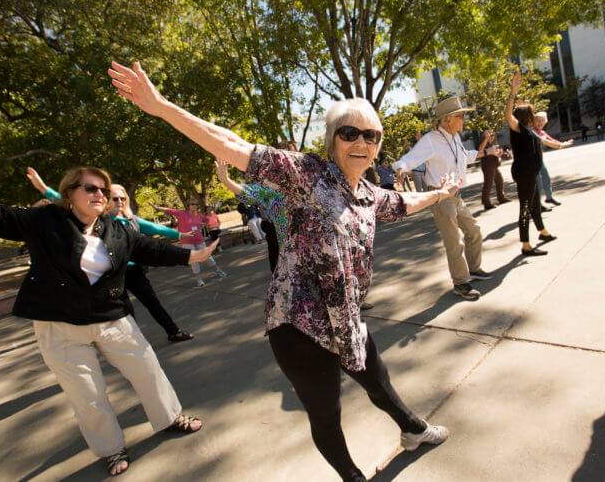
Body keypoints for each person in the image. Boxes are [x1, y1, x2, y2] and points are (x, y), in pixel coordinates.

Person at [109, 61, 459, 481]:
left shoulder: (368, 193)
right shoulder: (305, 173)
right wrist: (162, 106)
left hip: (346, 319)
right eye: (350, 133)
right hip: (298, 325)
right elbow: (232, 142)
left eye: (371, 135)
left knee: (378, 381)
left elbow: (403, 205)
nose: (361, 142)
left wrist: (441, 193)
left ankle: (413, 430)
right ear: (332, 141)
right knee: (327, 413)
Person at [0, 153, 215, 476]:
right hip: (60, 327)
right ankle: (111, 449)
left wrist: (193, 255)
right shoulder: (44, 223)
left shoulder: (117, 229)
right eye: (90, 188)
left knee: (148, 369)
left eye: (104, 189)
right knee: (88, 394)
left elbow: (150, 248)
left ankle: (169, 417)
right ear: (69, 193)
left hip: (112, 318)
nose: (100, 194)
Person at [26, 168, 196, 343]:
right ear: (107, 198)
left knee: (152, 302)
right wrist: (43, 188)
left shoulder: (130, 219)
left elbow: (154, 228)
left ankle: (173, 331)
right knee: (125, 311)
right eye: (115, 198)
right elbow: (66, 200)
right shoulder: (97, 218)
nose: (120, 202)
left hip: (133, 271)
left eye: (123, 199)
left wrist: (179, 235)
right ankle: (136, 344)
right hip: (112, 273)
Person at [392, 96, 501, 300]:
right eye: (461, 116)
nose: (464, 120)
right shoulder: (431, 140)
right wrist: (401, 170)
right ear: (448, 119)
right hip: (441, 198)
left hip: (456, 194)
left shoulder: (455, 138)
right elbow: (408, 160)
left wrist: (488, 151)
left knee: (474, 231)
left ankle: (474, 270)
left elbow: (466, 156)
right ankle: (461, 283)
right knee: (454, 242)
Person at [505, 73, 557, 256]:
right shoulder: (518, 128)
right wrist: (512, 93)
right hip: (524, 172)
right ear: (526, 117)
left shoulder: (528, 130)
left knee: (535, 204)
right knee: (525, 208)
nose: (535, 117)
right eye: (532, 114)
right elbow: (508, 115)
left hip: (530, 172)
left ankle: (543, 232)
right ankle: (526, 245)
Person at [217, 159, 286, 272]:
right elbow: (247, 193)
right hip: (274, 229)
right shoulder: (268, 187)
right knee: (277, 261)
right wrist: (226, 180)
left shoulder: (303, 180)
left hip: (301, 239)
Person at [149, 199, 227, 287]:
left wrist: (203, 226)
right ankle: (199, 279)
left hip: (199, 239)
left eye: (196, 204)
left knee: (207, 256)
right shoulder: (181, 213)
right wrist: (156, 208)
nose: (195, 206)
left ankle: (218, 271)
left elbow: (208, 220)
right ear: (188, 206)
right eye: (192, 204)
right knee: (194, 260)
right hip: (187, 241)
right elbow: (168, 210)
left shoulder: (200, 216)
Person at [532, 112, 574, 207]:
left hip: (539, 160)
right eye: (538, 120)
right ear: (534, 121)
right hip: (531, 161)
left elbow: (552, 141)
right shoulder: (532, 131)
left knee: (546, 178)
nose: (540, 123)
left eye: (542, 121)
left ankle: (549, 198)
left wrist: (564, 143)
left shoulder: (542, 132)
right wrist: (563, 144)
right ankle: (538, 204)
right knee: (538, 182)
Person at [478, 130, 509, 210]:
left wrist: (504, 154)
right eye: (490, 135)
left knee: (500, 180)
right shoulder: (484, 144)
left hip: (494, 166)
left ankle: (501, 198)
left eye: (492, 135)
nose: (492, 137)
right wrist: (486, 138)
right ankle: (486, 203)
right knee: (488, 183)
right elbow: (481, 149)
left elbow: (496, 154)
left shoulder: (492, 145)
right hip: (488, 167)